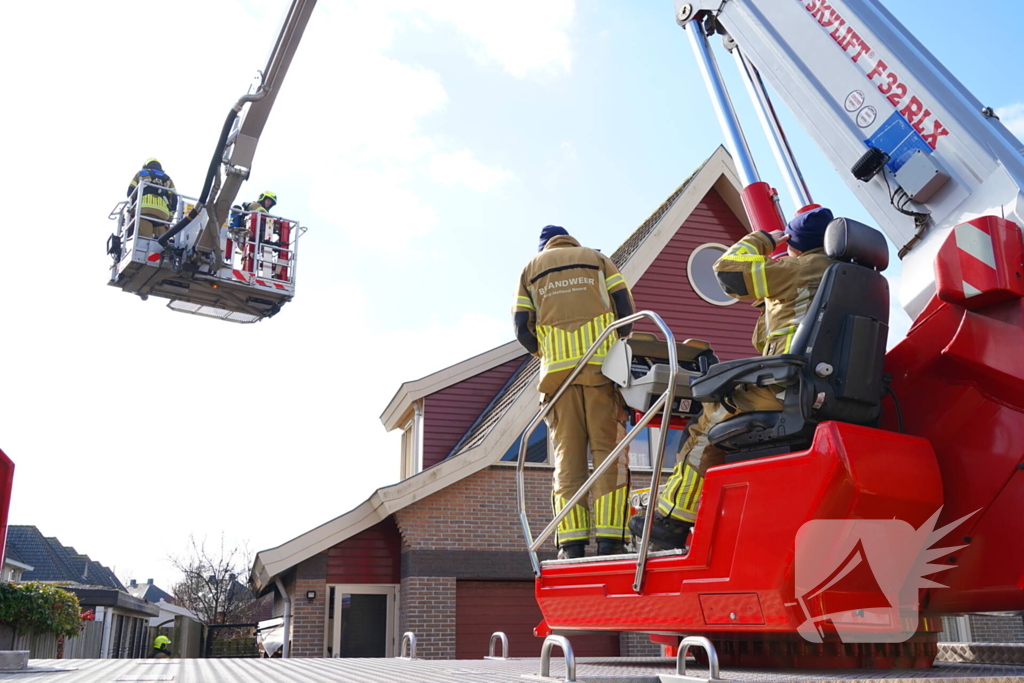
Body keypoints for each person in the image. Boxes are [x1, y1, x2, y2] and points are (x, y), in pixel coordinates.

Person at [628, 206, 837, 550]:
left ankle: (670, 520)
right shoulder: (847, 275)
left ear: (796, 245)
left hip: (784, 388)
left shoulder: (796, 269)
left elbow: (726, 270)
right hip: (825, 390)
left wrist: (765, 240)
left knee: (708, 421)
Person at [514, 225, 637, 559]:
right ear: (571, 240)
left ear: (544, 246)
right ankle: (612, 540)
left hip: (558, 381)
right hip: (602, 374)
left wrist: (549, 353)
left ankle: (572, 546)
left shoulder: (531, 269)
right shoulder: (597, 260)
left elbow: (521, 329)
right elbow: (626, 311)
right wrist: (613, 347)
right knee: (608, 455)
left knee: (568, 462)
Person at [127, 159, 176, 239]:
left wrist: (132, 210)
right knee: (161, 243)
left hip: (144, 211)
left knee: (144, 239)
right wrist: (170, 216)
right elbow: (174, 198)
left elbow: (130, 192)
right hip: (162, 214)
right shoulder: (167, 179)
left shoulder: (141, 174)